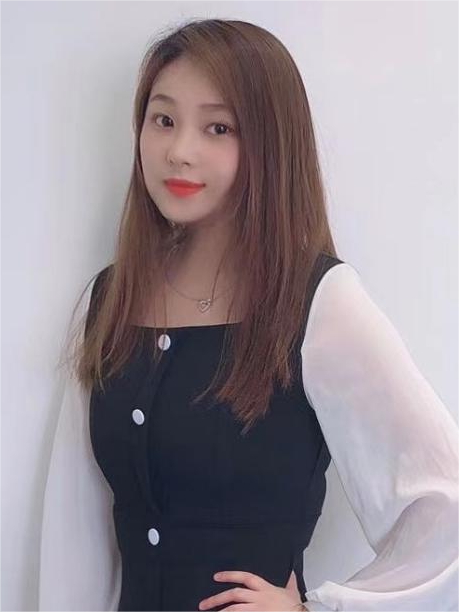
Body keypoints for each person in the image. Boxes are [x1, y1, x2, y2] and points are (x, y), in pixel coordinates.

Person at [38, 18, 459, 612]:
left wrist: (317, 609)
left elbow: (444, 509)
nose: (180, 151)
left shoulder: (319, 302)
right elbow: (74, 537)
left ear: (269, 143)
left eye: (218, 127)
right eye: (163, 120)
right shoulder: (107, 301)